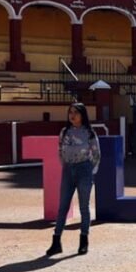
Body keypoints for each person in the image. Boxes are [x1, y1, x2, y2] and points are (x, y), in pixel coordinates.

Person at [47, 103, 101, 257]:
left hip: (84, 169)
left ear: (82, 115)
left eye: (76, 112)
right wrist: (66, 166)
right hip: (68, 169)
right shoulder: (64, 132)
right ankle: (56, 241)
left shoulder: (89, 133)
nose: (72, 115)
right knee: (63, 206)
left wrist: (91, 170)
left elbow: (96, 154)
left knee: (84, 207)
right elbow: (59, 150)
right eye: (70, 112)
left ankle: (84, 241)